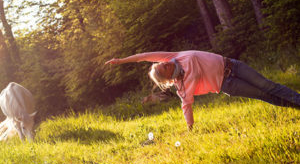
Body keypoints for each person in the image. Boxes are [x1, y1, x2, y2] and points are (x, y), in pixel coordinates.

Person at [105, 51, 300, 130]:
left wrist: (121, 61)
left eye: (160, 64)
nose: (163, 64)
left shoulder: (174, 56)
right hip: (227, 84)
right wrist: (190, 129)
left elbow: (144, 56)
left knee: (269, 86)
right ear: (165, 76)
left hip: (233, 65)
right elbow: (186, 107)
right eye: (161, 68)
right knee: (264, 95)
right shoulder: (181, 87)